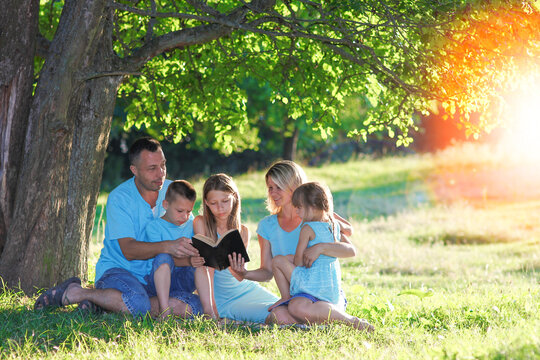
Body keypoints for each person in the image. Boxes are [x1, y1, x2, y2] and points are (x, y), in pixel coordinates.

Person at [34, 137, 202, 318]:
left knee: (197, 306)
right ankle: (79, 292)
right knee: (140, 305)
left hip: (159, 274)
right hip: (120, 271)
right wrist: (168, 246)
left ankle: (107, 302)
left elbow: (188, 230)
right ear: (134, 170)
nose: (160, 173)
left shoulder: (173, 190)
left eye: (163, 165)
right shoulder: (119, 198)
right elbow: (129, 249)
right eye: (152, 168)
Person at [229, 160, 365, 326]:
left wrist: (320, 248)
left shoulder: (316, 216)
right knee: (280, 316)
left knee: (297, 311)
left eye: (279, 187)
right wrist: (245, 274)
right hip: (297, 295)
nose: (273, 193)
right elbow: (268, 271)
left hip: (323, 290)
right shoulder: (267, 226)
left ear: (294, 186)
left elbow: (349, 247)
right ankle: (319, 319)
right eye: (270, 187)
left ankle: (332, 317)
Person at [269, 182, 373, 330]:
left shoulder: (307, 228)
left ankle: (347, 320)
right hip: (329, 287)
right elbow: (349, 241)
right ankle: (321, 319)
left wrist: (316, 249)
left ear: (311, 207)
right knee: (278, 315)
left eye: (299, 207)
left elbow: (299, 262)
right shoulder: (334, 224)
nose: (296, 211)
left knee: (278, 261)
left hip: (311, 285)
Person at [193, 173, 280, 324]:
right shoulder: (201, 223)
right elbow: (207, 270)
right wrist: (212, 310)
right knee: (278, 316)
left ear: (234, 197)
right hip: (224, 299)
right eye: (214, 203)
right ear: (206, 203)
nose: (220, 208)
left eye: (225, 201)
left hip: (245, 289)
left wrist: (240, 271)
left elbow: (239, 277)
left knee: (286, 308)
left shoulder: (243, 231)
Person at [143, 180, 217, 319]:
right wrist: (189, 261)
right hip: (158, 281)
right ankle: (164, 311)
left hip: (183, 281)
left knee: (201, 261)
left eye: (189, 211)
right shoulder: (154, 227)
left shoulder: (191, 223)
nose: (185, 216)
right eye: (180, 211)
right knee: (163, 258)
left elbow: (197, 252)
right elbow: (164, 260)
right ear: (166, 205)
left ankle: (209, 311)